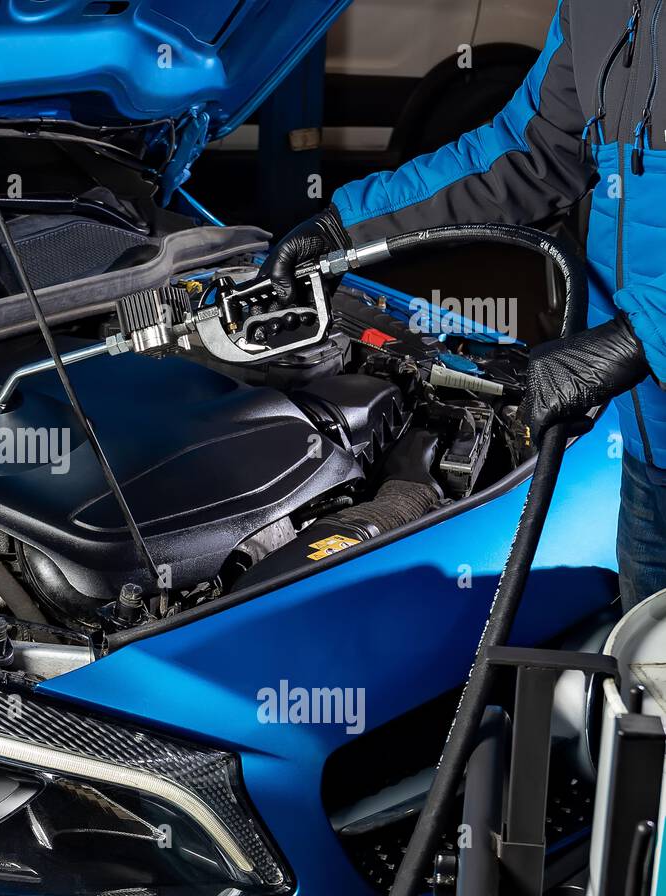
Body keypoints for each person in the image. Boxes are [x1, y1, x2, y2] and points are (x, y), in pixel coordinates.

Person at [261, 0, 666, 609]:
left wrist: (636, 341)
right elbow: (525, 153)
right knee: (643, 684)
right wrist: (346, 228)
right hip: (651, 458)